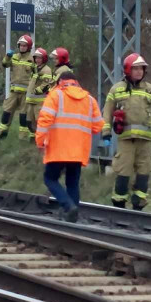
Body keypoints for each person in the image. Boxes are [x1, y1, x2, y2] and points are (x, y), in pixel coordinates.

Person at [100, 53, 151, 210]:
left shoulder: (150, 89)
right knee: (123, 173)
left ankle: (138, 207)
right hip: (126, 140)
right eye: (135, 68)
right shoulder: (117, 89)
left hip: (145, 142)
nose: (139, 72)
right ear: (127, 70)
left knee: (143, 174)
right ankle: (119, 205)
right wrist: (106, 133)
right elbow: (107, 113)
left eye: (141, 69)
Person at [35, 72, 102, 222]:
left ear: (60, 82)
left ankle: (68, 206)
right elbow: (98, 126)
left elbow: (44, 120)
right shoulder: (90, 100)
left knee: (50, 178)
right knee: (72, 182)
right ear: (76, 82)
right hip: (79, 150)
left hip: (58, 148)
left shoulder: (55, 96)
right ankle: (72, 216)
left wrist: (40, 141)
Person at [0, 34, 35, 141]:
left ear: (29, 47)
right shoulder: (15, 57)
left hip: (26, 94)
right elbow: (5, 64)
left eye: (24, 45)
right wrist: (7, 56)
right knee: (6, 112)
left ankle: (22, 138)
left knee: (23, 116)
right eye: (20, 45)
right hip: (14, 92)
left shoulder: (32, 60)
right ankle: (1, 134)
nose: (22, 47)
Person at [24, 48, 55, 141]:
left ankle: (43, 139)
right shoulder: (35, 68)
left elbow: (46, 84)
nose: (37, 60)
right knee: (29, 122)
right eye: (36, 58)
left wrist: (36, 91)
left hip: (40, 101)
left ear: (44, 59)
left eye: (39, 58)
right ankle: (34, 137)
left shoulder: (46, 70)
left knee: (40, 122)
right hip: (31, 100)